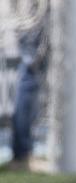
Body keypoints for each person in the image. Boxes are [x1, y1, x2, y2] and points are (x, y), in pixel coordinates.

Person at [5, 10, 47, 171]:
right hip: (30, 16)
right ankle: (22, 153)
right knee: (30, 77)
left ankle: (22, 152)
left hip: (29, 16)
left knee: (31, 78)